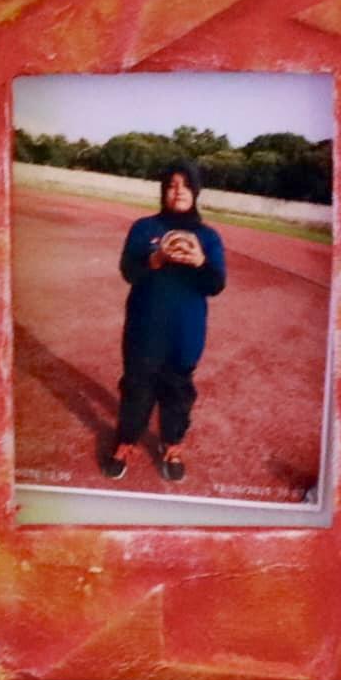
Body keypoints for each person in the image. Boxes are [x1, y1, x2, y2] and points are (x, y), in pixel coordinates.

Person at [102, 163, 227, 483]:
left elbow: (216, 284)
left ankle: (171, 444)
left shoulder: (208, 237)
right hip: (144, 327)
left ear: (195, 192)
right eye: (172, 185)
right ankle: (126, 440)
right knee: (137, 386)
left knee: (178, 390)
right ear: (163, 191)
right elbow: (129, 272)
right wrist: (155, 259)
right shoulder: (144, 228)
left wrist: (200, 261)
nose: (178, 191)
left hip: (185, 331)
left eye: (185, 185)